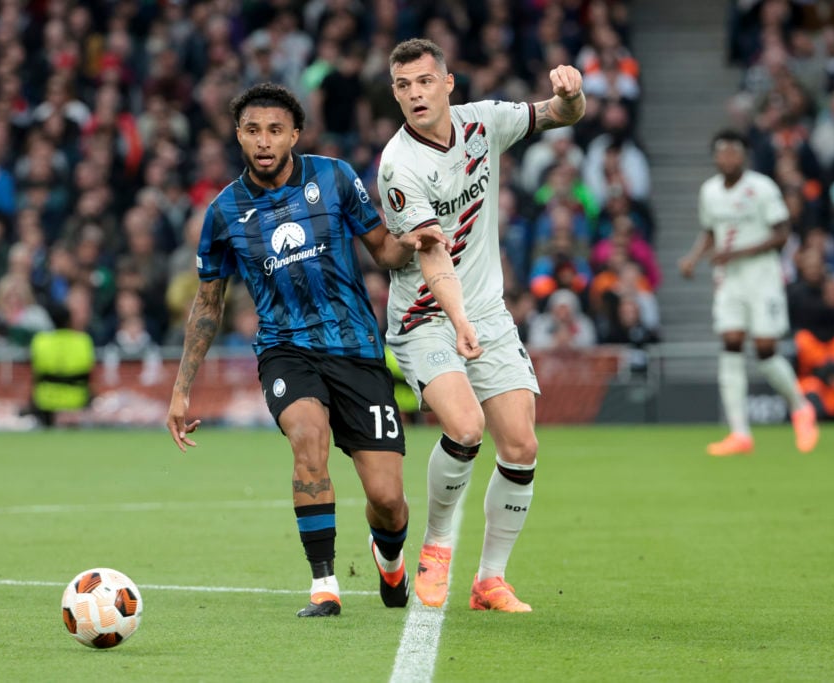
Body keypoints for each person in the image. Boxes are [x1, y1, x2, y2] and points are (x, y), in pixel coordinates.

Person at [165, 83, 452, 618]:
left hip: (357, 349)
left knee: (388, 500)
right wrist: (181, 391)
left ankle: (388, 561)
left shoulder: (335, 178)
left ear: (295, 134)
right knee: (307, 437)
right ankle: (324, 585)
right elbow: (208, 305)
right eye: (253, 131)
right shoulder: (224, 212)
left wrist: (416, 236)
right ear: (239, 136)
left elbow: (384, 251)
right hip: (285, 350)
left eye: (275, 130)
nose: (264, 141)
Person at [376, 38, 586, 614]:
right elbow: (432, 255)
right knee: (466, 427)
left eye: (424, 81)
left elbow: (559, 115)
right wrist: (460, 319)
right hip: (426, 317)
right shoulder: (399, 165)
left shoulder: (485, 122)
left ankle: (489, 580)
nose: (415, 93)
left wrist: (572, 94)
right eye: (402, 86)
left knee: (520, 445)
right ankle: (437, 547)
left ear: (448, 83)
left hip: (487, 311)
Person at [679, 129, 819, 456]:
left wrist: (738, 253)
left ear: (744, 155)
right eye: (721, 152)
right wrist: (693, 259)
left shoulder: (762, 188)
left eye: (733, 151)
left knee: (766, 350)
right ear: (715, 156)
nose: (727, 157)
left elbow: (782, 234)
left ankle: (800, 407)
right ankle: (740, 432)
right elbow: (711, 230)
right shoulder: (709, 191)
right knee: (730, 345)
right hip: (729, 279)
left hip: (762, 277)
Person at [26, 306, 95, 427]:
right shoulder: (83, 341)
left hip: (46, 402)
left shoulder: (40, 341)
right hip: (76, 401)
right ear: (69, 320)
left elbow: (34, 371)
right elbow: (90, 373)